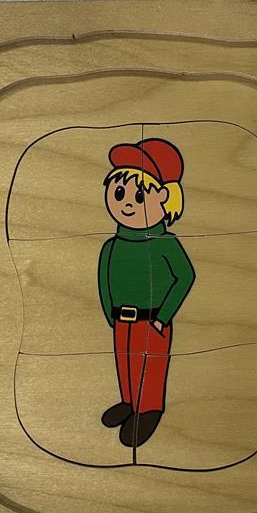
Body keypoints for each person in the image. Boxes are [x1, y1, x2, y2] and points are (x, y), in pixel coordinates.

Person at [97, 138, 195, 448]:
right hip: (121, 320)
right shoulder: (112, 245)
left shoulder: (165, 244)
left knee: (149, 368)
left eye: (139, 195)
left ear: (163, 197)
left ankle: (149, 410)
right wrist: (110, 315)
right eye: (119, 192)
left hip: (152, 320)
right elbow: (104, 282)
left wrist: (162, 317)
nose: (127, 203)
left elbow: (185, 277)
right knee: (125, 363)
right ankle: (129, 402)